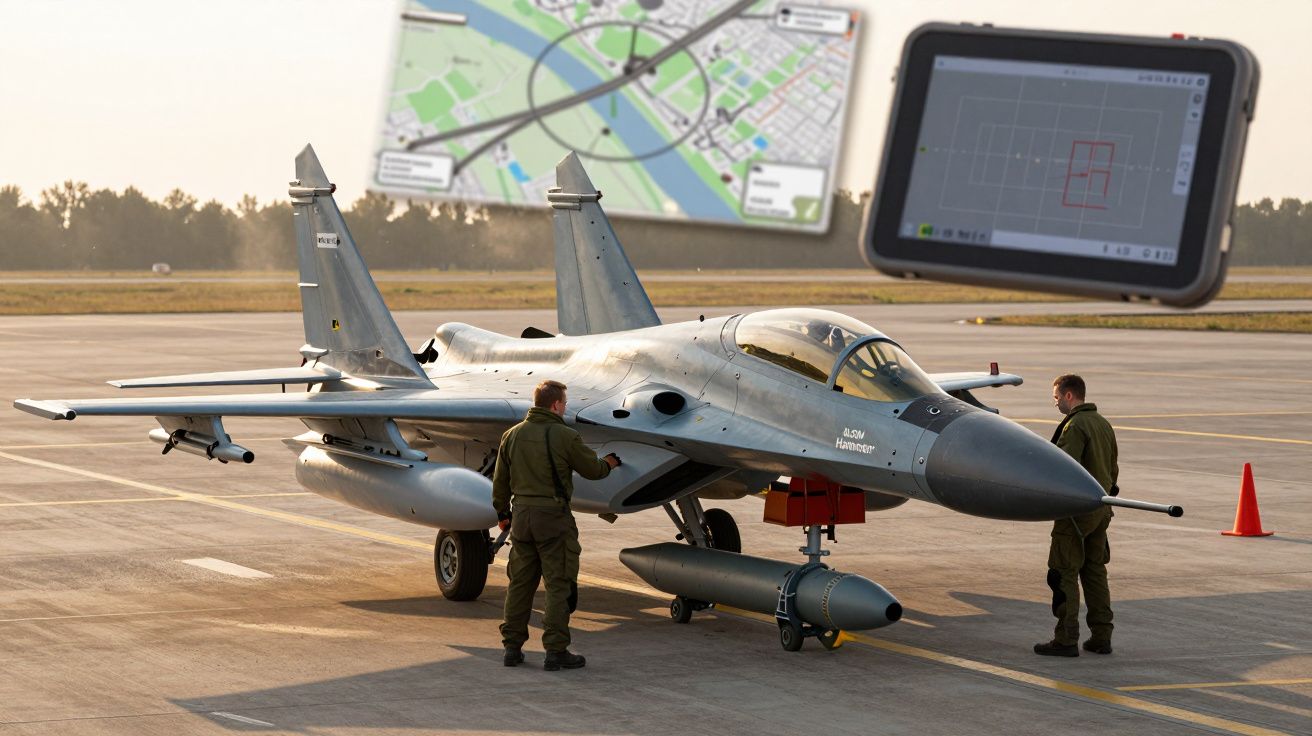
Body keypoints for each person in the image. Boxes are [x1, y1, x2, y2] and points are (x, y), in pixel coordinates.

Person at [492, 379, 620, 671]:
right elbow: (593, 470)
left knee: (520, 585)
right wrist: (609, 463)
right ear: (555, 405)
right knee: (558, 585)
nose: (565, 407)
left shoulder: (511, 435)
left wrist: (502, 513)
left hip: (521, 517)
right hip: (553, 519)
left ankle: (512, 648)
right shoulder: (566, 436)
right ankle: (555, 650)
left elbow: (500, 481)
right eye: (564, 402)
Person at [1035, 374, 1118, 657]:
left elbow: (1064, 468)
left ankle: (1066, 638)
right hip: (1101, 509)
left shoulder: (1074, 426)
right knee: (1095, 572)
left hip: (1075, 513)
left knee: (1063, 573)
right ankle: (1102, 636)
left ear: (1069, 396)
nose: (1055, 402)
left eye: (1057, 397)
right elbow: (1113, 470)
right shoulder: (1102, 424)